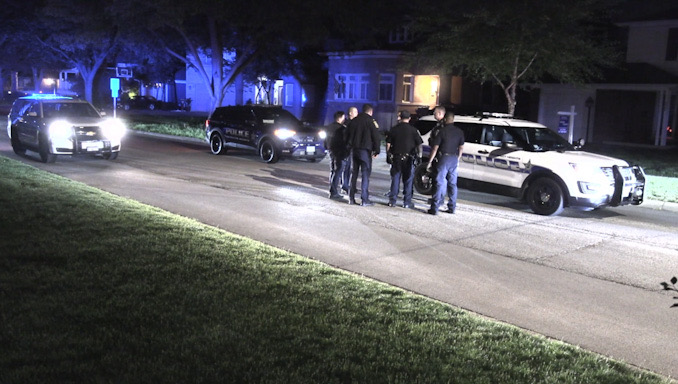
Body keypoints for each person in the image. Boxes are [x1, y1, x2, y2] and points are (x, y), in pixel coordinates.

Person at [427, 111, 464, 215]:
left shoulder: (442, 131)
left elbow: (435, 148)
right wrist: (458, 158)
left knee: (439, 182)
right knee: (453, 184)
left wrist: (429, 161)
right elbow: (461, 147)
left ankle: (434, 208)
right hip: (454, 158)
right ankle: (452, 207)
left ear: (445, 119)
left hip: (444, 158)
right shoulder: (459, 131)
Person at [385, 111, 423, 208]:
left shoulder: (394, 129)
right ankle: (407, 202)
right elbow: (419, 144)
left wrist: (388, 155)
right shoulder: (413, 130)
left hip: (396, 157)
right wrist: (420, 156)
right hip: (409, 158)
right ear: (409, 118)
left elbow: (388, 144)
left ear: (400, 117)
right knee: (408, 180)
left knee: (395, 179)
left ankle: (392, 201)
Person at [346, 103, 381, 206]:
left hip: (354, 150)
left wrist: (349, 147)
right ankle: (364, 199)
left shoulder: (354, 121)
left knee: (354, 174)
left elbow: (347, 136)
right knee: (365, 175)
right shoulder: (371, 121)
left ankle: (351, 198)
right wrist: (376, 150)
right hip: (365, 151)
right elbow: (376, 137)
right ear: (370, 112)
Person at [325, 111, 348, 199]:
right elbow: (343, 142)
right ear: (341, 117)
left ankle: (332, 189)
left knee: (332, 170)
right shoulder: (341, 129)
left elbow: (325, 140)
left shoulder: (328, 127)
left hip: (331, 151)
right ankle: (333, 191)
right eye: (343, 118)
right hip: (339, 152)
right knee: (338, 171)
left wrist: (327, 147)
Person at [342, 106, 359, 194]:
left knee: (352, 169)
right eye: (355, 112)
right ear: (351, 113)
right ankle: (345, 186)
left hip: (352, 149)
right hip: (347, 149)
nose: (357, 114)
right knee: (347, 168)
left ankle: (350, 186)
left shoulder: (354, 123)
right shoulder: (347, 123)